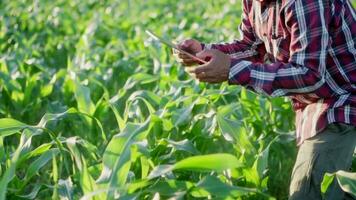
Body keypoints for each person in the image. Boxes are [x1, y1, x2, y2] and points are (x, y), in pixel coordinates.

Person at [174, 0, 356, 199]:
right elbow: (252, 47)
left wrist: (231, 69)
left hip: (343, 99)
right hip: (318, 103)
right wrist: (203, 52)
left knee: (307, 193)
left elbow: (309, 75)